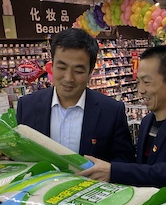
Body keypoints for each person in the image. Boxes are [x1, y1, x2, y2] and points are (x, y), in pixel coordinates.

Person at [79, 45, 166, 196]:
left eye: (147, 82)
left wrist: (114, 171)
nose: (141, 90)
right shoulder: (147, 121)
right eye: (138, 82)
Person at [16, 28, 135, 164]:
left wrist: (107, 170)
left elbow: (125, 161)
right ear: (51, 66)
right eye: (61, 68)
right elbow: (19, 153)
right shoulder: (27, 106)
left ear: (90, 72)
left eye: (78, 71)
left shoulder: (111, 111)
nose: (68, 78)